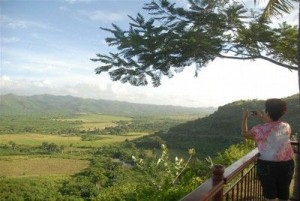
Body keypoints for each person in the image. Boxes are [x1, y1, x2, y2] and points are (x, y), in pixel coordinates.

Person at [241, 98, 294, 201]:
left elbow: (244, 133)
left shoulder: (259, 129)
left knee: (270, 197)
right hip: (287, 164)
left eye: (265, 110)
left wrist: (245, 118)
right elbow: (272, 126)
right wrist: (262, 117)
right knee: (284, 195)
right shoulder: (286, 126)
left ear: (268, 112)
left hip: (268, 165)